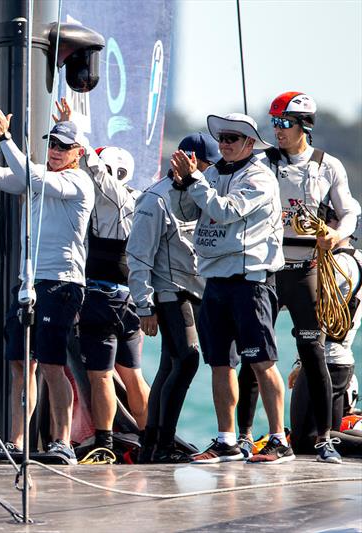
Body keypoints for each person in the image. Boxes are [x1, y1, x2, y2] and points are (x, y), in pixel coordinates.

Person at [0, 103, 94, 463]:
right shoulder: (39, 174)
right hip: (29, 284)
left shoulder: (76, 182)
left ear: (78, 154)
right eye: (51, 143)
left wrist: (5, 136)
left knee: (53, 366)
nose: (54, 150)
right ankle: (17, 441)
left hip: (62, 283)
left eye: (62, 146)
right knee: (22, 366)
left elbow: (32, 178)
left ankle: (61, 442)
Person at [169, 113, 292, 465]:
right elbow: (187, 211)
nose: (224, 143)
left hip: (250, 282)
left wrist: (194, 180)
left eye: (232, 138)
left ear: (250, 144)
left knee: (262, 362)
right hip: (216, 280)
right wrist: (181, 183)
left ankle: (278, 439)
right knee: (219, 363)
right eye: (222, 137)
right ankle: (227, 441)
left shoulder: (260, 177)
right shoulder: (210, 173)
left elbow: (225, 212)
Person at [260, 91, 360, 464]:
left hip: (306, 268)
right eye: (274, 123)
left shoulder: (327, 165)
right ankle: (241, 438)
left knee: (312, 351)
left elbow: (348, 211)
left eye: (284, 124)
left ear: (305, 126)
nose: (278, 131)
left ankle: (325, 440)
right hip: (268, 269)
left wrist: (336, 234)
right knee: (256, 353)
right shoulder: (262, 162)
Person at [127, 133, 220, 463]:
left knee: (171, 364)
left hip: (194, 291)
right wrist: (144, 305)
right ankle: (162, 445)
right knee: (187, 360)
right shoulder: (155, 199)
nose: (210, 173)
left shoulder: (200, 197)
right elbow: (138, 256)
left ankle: (151, 444)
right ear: (187, 162)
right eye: (207, 166)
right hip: (169, 293)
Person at [77, 143, 150, 456]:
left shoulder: (110, 198)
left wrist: (75, 134)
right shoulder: (141, 200)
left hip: (102, 298)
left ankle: (104, 444)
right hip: (130, 299)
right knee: (133, 375)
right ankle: (150, 441)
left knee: (101, 376)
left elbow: (96, 172)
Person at [288, 208, 361, 458]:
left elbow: (310, 305)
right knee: (329, 432)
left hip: (326, 360)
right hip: (342, 362)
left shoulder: (337, 263)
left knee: (306, 440)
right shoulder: (357, 258)